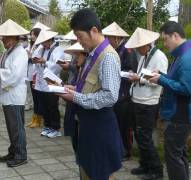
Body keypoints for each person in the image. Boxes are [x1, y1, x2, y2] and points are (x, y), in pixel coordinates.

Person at [58, 8, 124, 180]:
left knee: (98, 173)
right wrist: (74, 89)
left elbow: (110, 96)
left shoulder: (107, 56)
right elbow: (91, 87)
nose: (79, 42)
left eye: (80, 36)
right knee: (87, 170)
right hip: (89, 125)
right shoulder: (93, 54)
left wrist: (76, 97)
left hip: (99, 127)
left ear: (94, 30)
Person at [148, 21, 191, 180]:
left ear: (176, 36)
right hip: (180, 114)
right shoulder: (183, 55)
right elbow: (178, 82)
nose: (164, 44)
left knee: (173, 157)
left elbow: (186, 89)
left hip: (180, 115)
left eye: (166, 39)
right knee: (179, 155)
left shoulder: (186, 58)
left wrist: (161, 80)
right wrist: (162, 76)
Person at [125, 27, 168, 180]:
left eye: (139, 46)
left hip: (149, 102)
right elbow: (144, 75)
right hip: (138, 99)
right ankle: (145, 164)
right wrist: (136, 77)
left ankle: (156, 169)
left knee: (145, 136)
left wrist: (139, 79)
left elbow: (160, 82)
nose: (137, 49)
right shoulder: (144, 56)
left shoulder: (160, 57)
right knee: (139, 134)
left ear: (147, 44)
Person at [0, 19, 29, 167]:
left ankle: (21, 155)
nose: (3, 40)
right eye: (3, 38)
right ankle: (13, 151)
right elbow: (6, 72)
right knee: (12, 126)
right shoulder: (9, 52)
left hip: (15, 94)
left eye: (5, 38)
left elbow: (13, 76)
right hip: (8, 94)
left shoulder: (20, 53)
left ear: (13, 38)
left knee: (16, 126)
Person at [102, 22, 138, 161]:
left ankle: (126, 151)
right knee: (116, 122)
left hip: (124, 92)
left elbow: (130, 71)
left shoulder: (127, 50)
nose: (107, 40)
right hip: (116, 91)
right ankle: (118, 149)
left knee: (124, 124)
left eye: (109, 38)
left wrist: (117, 72)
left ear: (116, 38)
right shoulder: (115, 50)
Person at [33, 30, 64, 138]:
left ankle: (55, 128)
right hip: (41, 81)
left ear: (49, 40)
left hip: (52, 82)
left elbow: (58, 66)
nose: (42, 44)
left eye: (43, 42)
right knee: (44, 106)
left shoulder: (58, 49)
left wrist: (44, 62)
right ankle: (47, 126)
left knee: (52, 106)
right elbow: (34, 57)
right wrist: (36, 61)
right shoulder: (41, 49)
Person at [60, 42, 87, 154]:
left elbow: (84, 88)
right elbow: (78, 85)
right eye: (75, 55)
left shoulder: (87, 70)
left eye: (78, 55)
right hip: (74, 104)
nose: (76, 58)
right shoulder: (80, 69)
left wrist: (72, 89)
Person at [25, 27, 44, 128]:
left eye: (33, 34)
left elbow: (36, 58)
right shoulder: (32, 45)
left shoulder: (40, 46)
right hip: (32, 73)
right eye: (31, 34)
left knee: (37, 98)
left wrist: (31, 56)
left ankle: (38, 120)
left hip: (37, 74)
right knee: (35, 97)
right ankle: (34, 118)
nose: (31, 36)